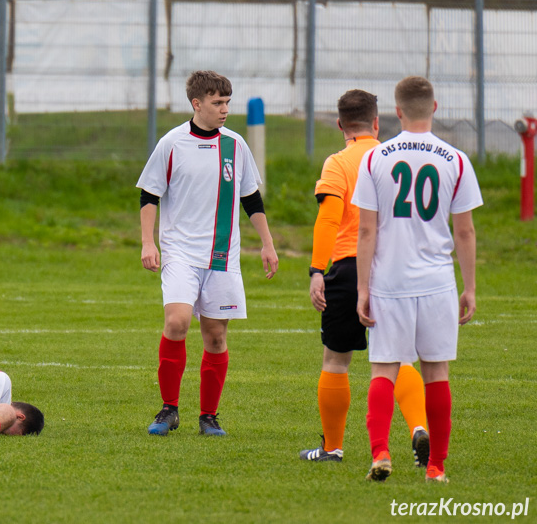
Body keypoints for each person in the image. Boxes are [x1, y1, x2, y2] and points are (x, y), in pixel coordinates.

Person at [353, 76, 482, 483]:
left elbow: (366, 231)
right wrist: (471, 286)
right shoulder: (455, 160)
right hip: (437, 281)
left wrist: (362, 288)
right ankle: (436, 468)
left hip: (389, 280)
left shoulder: (376, 159)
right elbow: (464, 232)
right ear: (435, 107)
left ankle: (380, 454)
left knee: (383, 370)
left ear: (396, 111)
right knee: (436, 372)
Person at [137, 70, 278, 437]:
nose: (225, 109)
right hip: (180, 253)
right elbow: (149, 194)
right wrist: (148, 242)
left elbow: (251, 198)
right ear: (197, 104)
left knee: (215, 337)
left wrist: (267, 243)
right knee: (177, 322)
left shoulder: (236, 145)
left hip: (223, 257)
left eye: (228, 102)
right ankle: (168, 410)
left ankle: (208, 416)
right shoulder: (171, 143)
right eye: (217, 103)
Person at [299, 90, 430, 466]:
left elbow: (328, 218)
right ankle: (418, 427)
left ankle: (333, 448)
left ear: (341, 125)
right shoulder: (395, 158)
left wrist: (316, 270)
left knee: (336, 360)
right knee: (400, 357)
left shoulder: (338, 163)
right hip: (394, 266)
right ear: (377, 122)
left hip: (348, 263)